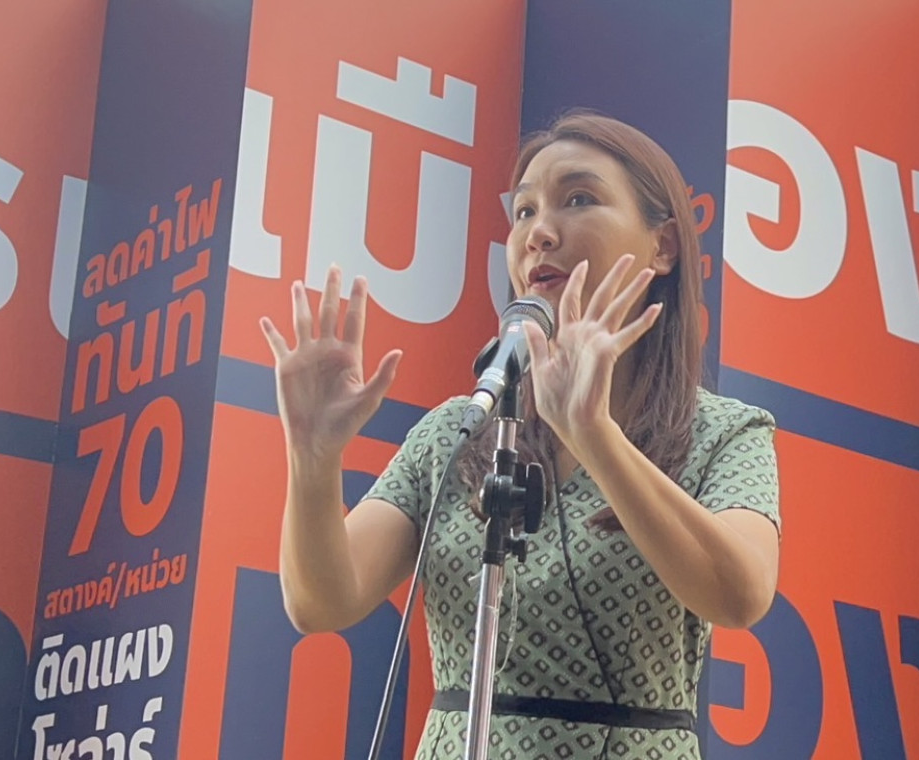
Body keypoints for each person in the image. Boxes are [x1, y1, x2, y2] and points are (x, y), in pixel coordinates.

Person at [259, 111, 781, 760]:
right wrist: (313, 459)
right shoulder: (458, 431)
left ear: (664, 246)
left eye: (578, 199)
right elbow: (321, 602)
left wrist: (594, 436)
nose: (539, 233)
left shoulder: (724, 432)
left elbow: (740, 594)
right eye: (525, 211)